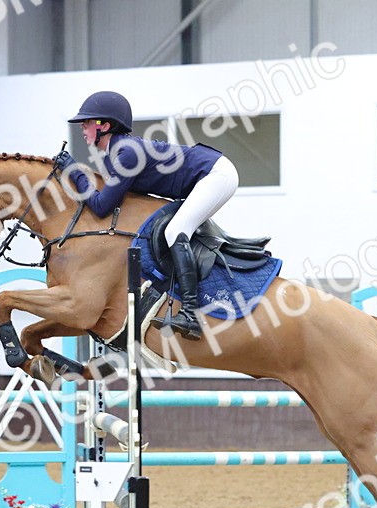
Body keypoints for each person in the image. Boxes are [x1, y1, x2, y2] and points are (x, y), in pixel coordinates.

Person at [54, 90, 239, 340]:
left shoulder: (126, 153)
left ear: (104, 126)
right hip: (207, 175)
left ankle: (192, 316)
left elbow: (100, 206)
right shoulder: (118, 154)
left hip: (215, 174)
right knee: (173, 231)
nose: (82, 128)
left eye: (87, 123)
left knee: (175, 231)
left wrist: (74, 171)